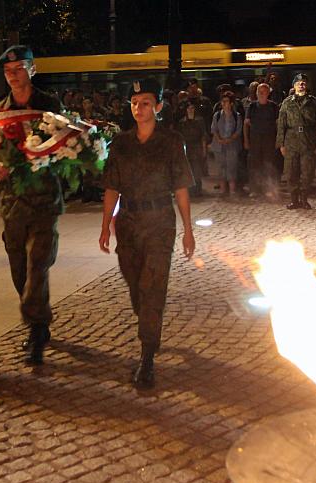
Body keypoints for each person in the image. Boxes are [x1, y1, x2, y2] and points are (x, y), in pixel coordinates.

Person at [98, 77, 195, 389]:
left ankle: (146, 357)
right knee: (135, 285)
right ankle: (148, 322)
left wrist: (188, 230)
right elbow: (111, 187)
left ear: (159, 106)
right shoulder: (121, 144)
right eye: (135, 103)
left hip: (159, 224)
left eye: (145, 103)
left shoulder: (170, 141)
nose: (139, 108)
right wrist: (104, 226)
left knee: (152, 288)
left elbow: (181, 188)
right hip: (127, 223)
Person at [0, 45, 63, 365]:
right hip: (11, 204)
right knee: (19, 269)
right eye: (8, 71)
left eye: (19, 69)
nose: (13, 75)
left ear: (32, 69)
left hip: (44, 200)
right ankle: (39, 322)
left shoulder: (49, 104)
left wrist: (42, 153)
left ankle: (35, 330)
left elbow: (64, 145)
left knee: (37, 265)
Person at [276, 73, 316, 210]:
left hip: (308, 140)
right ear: (294, 85)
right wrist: (281, 144)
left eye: (303, 83)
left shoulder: (313, 102)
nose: (301, 85)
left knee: (307, 172)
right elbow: (281, 124)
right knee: (291, 172)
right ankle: (294, 200)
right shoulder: (287, 102)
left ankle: (304, 199)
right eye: (298, 83)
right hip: (291, 140)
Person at [244, 83, 279, 199]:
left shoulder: (274, 107)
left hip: (269, 140)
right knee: (254, 165)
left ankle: (269, 188)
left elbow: (278, 124)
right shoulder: (252, 106)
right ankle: (255, 189)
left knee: (268, 165)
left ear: (268, 93)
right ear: (256, 93)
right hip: (255, 140)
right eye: (260, 92)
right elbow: (246, 124)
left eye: (264, 92)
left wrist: (278, 140)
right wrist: (246, 140)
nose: (262, 95)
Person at [211, 91, 243, 197]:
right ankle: (222, 190)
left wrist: (229, 139)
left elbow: (238, 130)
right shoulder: (217, 115)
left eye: (226, 101)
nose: (224, 104)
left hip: (232, 145)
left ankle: (232, 190)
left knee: (232, 167)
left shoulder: (236, 115)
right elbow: (214, 129)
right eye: (222, 101)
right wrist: (219, 139)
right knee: (221, 167)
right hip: (219, 145)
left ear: (231, 103)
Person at [177, 101, 209, 196]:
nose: (191, 110)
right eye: (189, 108)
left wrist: (203, 148)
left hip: (196, 146)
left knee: (197, 169)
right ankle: (190, 190)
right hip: (187, 147)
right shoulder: (182, 122)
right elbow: (180, 137)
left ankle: (198, 189)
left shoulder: (199, 120)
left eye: (192, 108)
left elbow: (203, 135)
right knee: (188, 169)